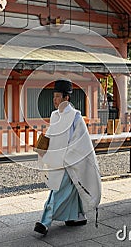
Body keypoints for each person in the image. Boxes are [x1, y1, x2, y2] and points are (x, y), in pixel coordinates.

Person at [34, 79, 101, 236]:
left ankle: (45, 222)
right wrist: (43, 148)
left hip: (69, 161)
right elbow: (51, 135)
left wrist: (67, 157)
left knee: (57, 191)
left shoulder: (76, 117)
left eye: (58, 97)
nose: (55, 100)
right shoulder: (54, 116)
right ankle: (77, 216)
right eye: (54, 97)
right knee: (70, 189)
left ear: (66, 98)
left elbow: (81, 142)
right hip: (58, 160)